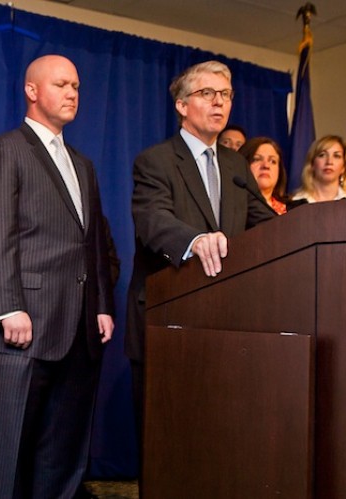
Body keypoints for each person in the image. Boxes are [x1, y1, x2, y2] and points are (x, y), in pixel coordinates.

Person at [0, 54, 115, 499]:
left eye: (76, 86)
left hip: (78, 331)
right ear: (32, 91)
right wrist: (8, 305)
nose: (72, 93)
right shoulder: (6, 148)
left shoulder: (83, 164)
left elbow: (91, 244)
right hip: (23, 325)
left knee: (64, 450)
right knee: (7, 448)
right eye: (61, 85)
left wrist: (103, 306)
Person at [126, 60, 273, 471]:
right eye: (207, 93)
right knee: (167, 448)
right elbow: (152, 220)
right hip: (166, 318)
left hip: (227, 321)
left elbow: (268, 227)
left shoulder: (236, 167)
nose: (219, 102)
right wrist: (194, 241)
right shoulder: (155, 160)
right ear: (182, 105)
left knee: (216, 446)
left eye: (225, 95)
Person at [291, 135, 346, 203]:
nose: (329, 162)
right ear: (312, 164)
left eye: (336, 156)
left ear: (344, 167)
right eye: (322, 155)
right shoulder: (291, 205)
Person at [238, 137, 288, 214]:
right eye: (257, 159)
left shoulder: (294, 210)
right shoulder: (235, 210)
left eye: (272, 161)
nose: (266, 166)